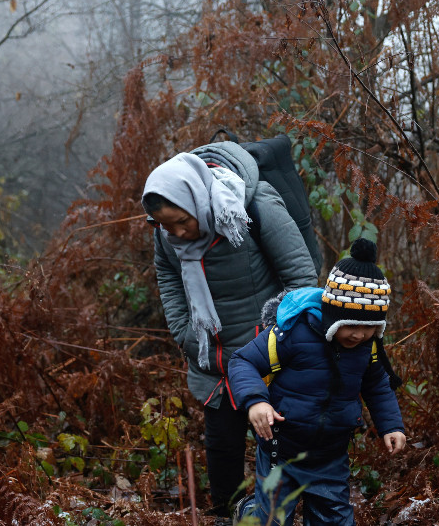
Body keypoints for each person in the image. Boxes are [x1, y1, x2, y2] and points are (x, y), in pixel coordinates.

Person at [142, 142, 318, 519]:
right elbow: (169, 278)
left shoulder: (253, 205)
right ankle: (228, 513)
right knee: (221, 447)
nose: (178, 233)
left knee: (277, 445)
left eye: (182, 221)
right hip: (213, 359)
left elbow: (301, 281)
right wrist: (186, 333)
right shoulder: (166, 233)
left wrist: (274, 339)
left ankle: (284, 513)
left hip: (266, 356)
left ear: (197, 198)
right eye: (166, 225)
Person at [228, 238, 406, 525]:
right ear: (333, 314)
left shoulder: (367, 349)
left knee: (332, 520)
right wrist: (256, 401)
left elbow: (377, 387)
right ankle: (249, 511)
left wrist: (391, 425)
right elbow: (243, 361)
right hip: (281, 449)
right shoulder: (293, 334)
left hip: (330, 456)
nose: (359, 335)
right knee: (270, 519)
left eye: (370, 327)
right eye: (351, 325)